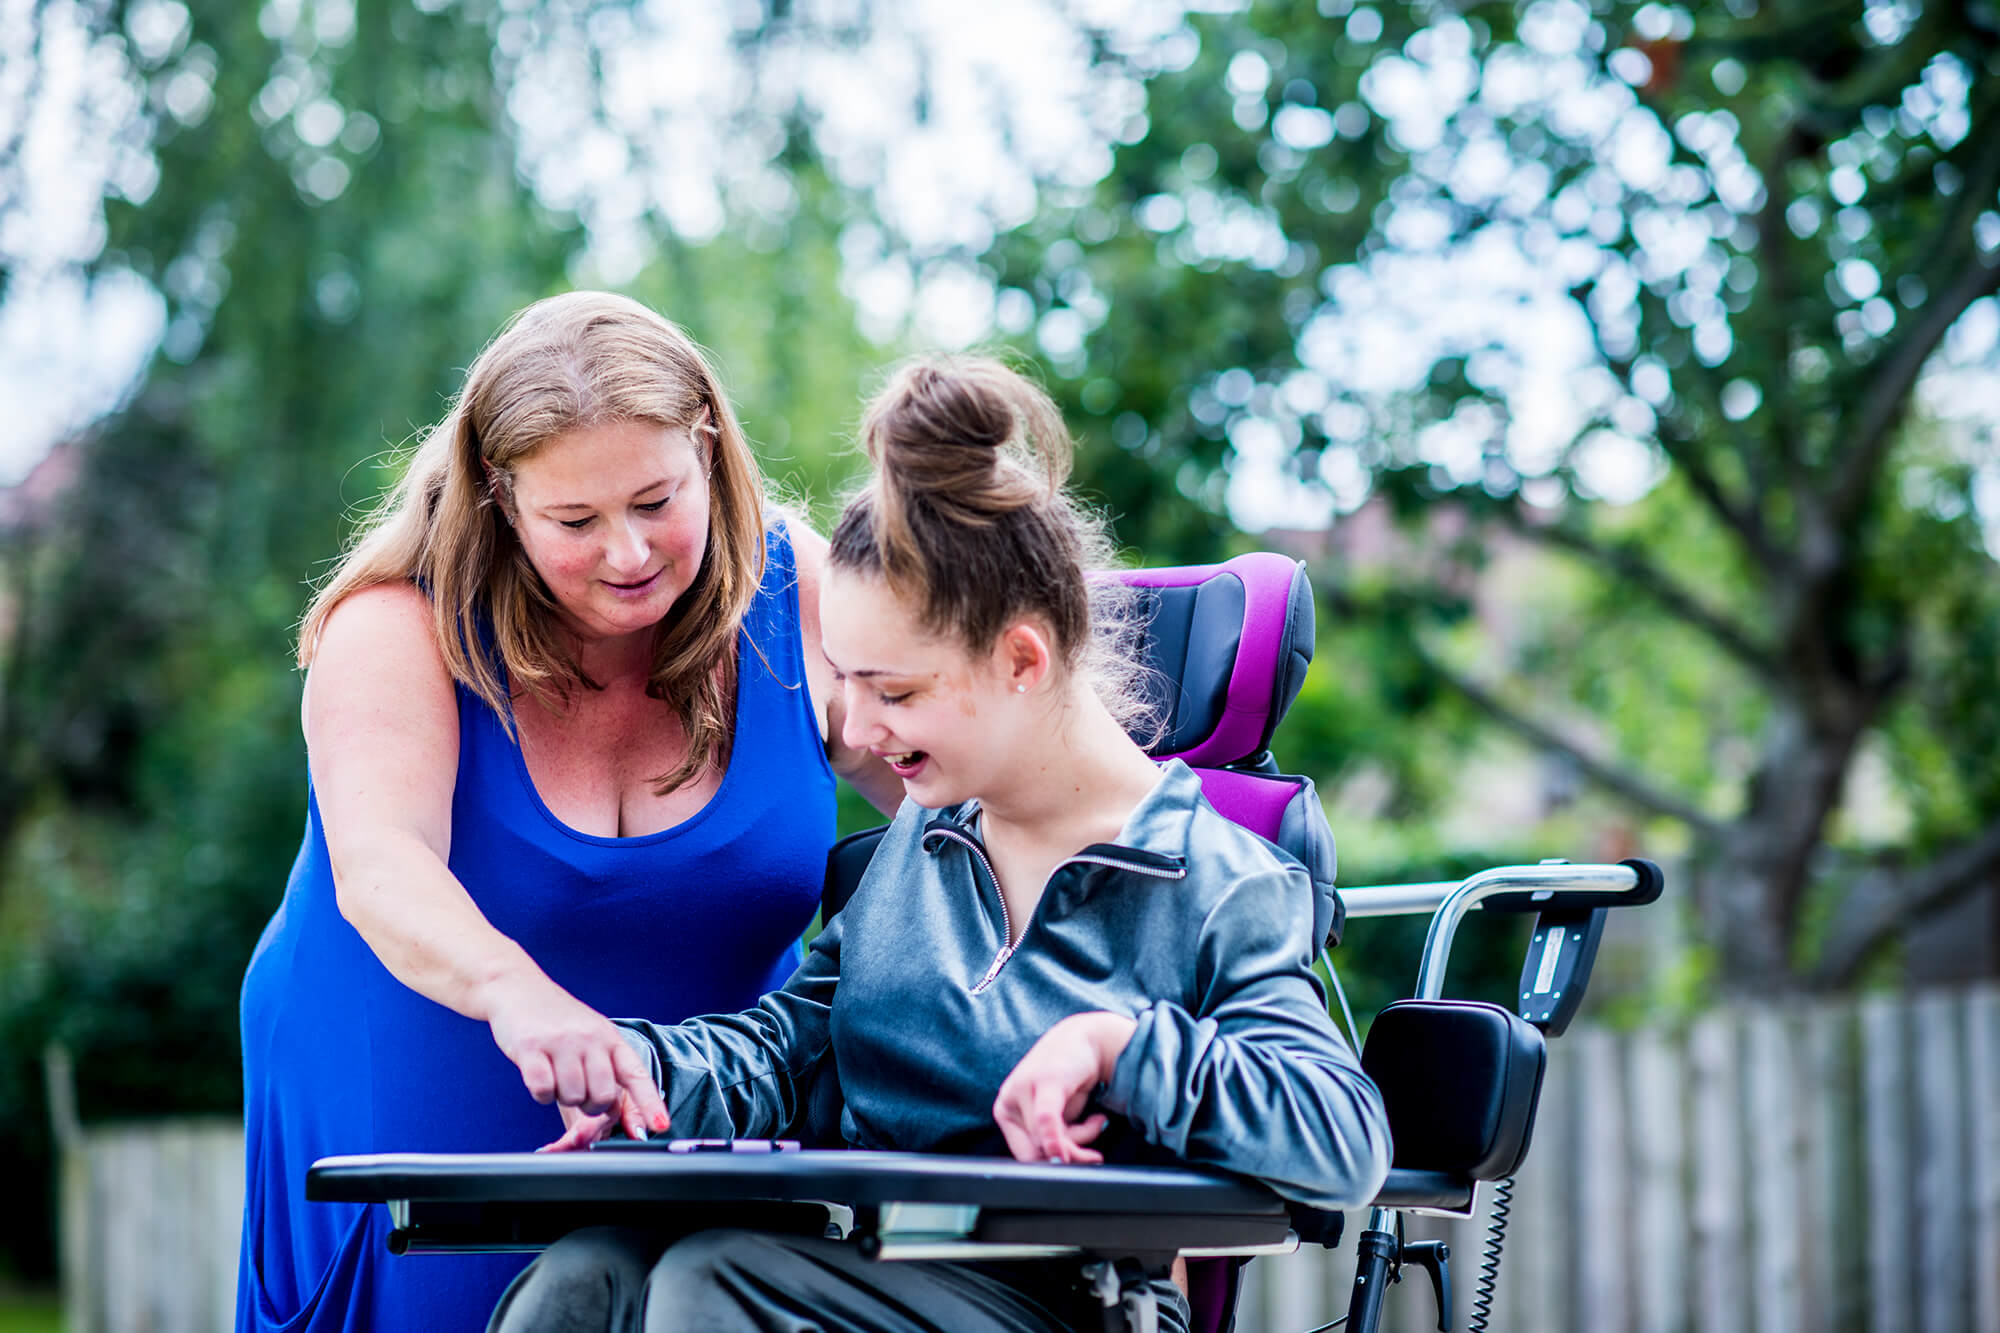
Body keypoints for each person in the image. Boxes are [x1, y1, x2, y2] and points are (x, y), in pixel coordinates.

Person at [487, 356, 1392, 1333]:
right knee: (589, 1277)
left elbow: (1342, 1136)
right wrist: (645, 1074)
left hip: (1081, 1305)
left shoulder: (1216, 882)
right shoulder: (922, 840)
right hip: (872, 1273)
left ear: (1020, 659)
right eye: (847, 681)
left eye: (896, 690)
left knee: (717, 1281)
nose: (858, 728)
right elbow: (799, 1051)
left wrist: (1123, 1047)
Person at [236, 291, 903, 1333]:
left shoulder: (800, 594)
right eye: (576, 522)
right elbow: (382, 864)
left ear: (708, 447)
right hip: (409, 1070)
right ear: (502, 497)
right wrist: (518, 993)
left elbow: (969, 796)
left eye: (656, 500)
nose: (628, 554)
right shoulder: (397, 626)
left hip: (703, 1137)